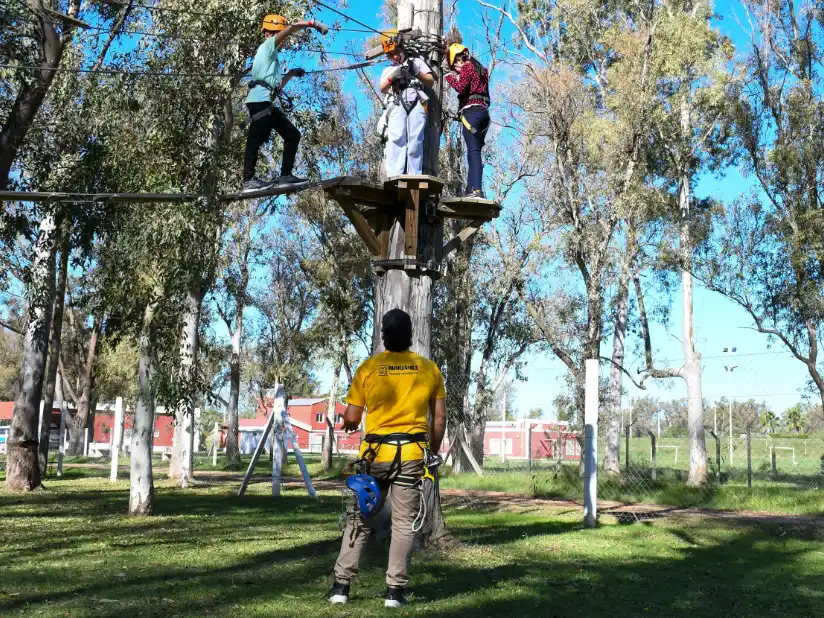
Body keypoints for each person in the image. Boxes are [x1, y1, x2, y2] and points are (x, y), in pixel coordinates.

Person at [328, 308, 447, 609]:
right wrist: (431, 451)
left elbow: (353, 416)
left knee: (360, 518)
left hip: (376, 455)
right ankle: (394, 592)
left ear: (383, 335)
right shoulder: (429, 369)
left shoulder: (369, 367)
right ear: (410, 335)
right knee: (404, 523)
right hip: (411, 455)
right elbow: (439, 420)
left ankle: (341, 587)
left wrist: (350, 420)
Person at [242, 14, 327, 193]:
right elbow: (290, 29)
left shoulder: (271, 60)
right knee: (254, 139)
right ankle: (248, 180)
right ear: (268, 34)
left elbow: (276, 88)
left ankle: (285, 177)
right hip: (259, 102)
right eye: (277, 34)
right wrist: (312, 23)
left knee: (293, 135)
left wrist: (291, 74)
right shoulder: (266, 47)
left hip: (267, 104)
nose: (281, 39)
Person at [378, 30, 435, 177]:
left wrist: (416, 72)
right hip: (397, 101)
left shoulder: (416, 62)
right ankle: (394, 174)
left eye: (397, 52)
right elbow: (383, 88)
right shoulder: (389, 69)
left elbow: (430, 81)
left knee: (415, 139)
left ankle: (414, 175)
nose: (395, 57)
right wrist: (393, 76)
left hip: (417, 100)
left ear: (402, 48)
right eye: (390, 55)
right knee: (396, 137)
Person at [445, 43, 491, 198]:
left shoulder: (467, 67)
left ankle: (476, 190)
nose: (455, 70)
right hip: (483, 113)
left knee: (473, 152)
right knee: (475, 152)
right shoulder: (481, 70)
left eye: (454, 66)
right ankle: (471, 188)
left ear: (457, 61)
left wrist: (448, 76)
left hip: (472, 113)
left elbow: (460, 86)